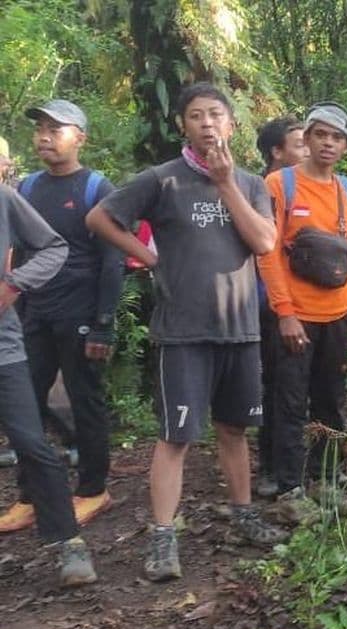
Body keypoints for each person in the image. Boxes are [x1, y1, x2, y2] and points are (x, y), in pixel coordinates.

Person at [86, 82, 286, 581]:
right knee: (175, 437)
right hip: (182, 332)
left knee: (234, 429)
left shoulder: (251, 184)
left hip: (240, 330)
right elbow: (100, 217)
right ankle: (162, 536)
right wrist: (148, 256)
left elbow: (265, 242)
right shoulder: (162, 179)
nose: (207, 123)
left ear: (231, 124)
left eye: (215, 114)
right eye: (196, 115)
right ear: (183, 125)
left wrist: (225, 183)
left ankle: (243, 514)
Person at [0, 100, 121, 533]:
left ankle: (93, 489)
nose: (44, 137)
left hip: (80, 312)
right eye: (40, 130)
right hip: (33, 312)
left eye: (56, 129)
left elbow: (112, 260)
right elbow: (19, 253)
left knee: (84, 399)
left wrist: (104, 324)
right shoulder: (27, 188)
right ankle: (30, 496)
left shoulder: (96, 188)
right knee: (26, 405)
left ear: (80, 138)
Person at [258, 102, 347, 523]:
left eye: (337, 137)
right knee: (289, 401)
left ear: (346, 147)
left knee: (331, 400)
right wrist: (284, 312)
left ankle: (327, 479)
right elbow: (268, 253)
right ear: (306, 138)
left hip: (337, 313)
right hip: (296, 317)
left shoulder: (346, 190)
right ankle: (290, 488)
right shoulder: (279, 184)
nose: (327, 143)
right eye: (320, 134)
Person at [0, 184, 96, 585]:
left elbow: (53, 247)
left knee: (31, 442)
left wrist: (14, 284)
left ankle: (69, 542)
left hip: (3, 351)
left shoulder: (3, 199)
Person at [251, 116, 308, 498]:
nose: (308, 150)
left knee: (290, 385)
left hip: (299, 302)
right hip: (263, 303)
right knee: (275, 386)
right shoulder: (257, 190)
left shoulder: (306, 187)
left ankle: (294, 461)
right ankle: (271, 465)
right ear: (276, 151)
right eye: (300, 144)